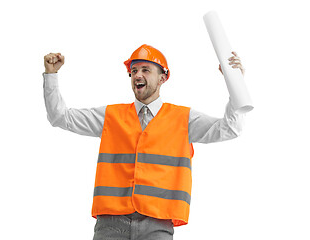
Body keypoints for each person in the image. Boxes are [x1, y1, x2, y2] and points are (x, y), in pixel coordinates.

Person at [43, 44, 246, 240]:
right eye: (134, 70)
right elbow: (60, 117)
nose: (137, 75)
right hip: (110, 224)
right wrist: (51, 75)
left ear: (163, 78)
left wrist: (235, 83)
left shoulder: (184, 119)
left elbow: (229, 129)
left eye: (146, 70)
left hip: (157, 224)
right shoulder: (110, 116)